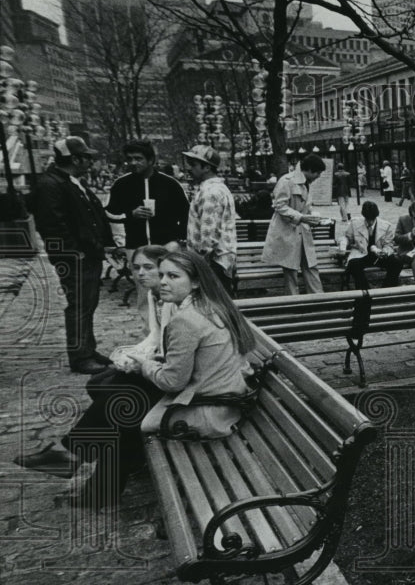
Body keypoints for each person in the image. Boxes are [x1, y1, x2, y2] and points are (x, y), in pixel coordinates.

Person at [17, 249, 255, 509]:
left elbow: (172, 382)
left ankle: (75, 460)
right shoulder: (210, 305)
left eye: (173, 276)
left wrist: (144, 364)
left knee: (121, 405)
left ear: (196, 281)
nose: (163, 281)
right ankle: (78, 463)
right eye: (162, 274)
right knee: (120, 394)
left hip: (205, 409)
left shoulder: (187, 320)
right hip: (216, 396)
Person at [33, 137, 114, 374]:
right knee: (79, 305)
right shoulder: (51, 185)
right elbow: (52, 225)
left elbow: (93, 214)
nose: (90, 162)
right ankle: (81, 357)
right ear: (75, 159)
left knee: (87, 304)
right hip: (75, 258)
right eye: (86, 157)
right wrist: (72, 253)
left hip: (87, 255)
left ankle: (88, 349)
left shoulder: (70, 182)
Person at [262, 154, 327, 296]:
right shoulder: (286, 181)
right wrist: (302, 217)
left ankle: (319, 299)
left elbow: (304, 206)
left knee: (311, 265)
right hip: (287, 231)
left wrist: (313, 218)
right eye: (317, 173)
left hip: (302, 231)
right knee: (290, 269)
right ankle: (293, 302)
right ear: (309, 170)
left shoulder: (306, 183)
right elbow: (279, 206)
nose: (318, 176)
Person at [105, 140, 189, 251]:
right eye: (130, 159)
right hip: (134, 247)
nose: (133, 163)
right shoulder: (121, 184)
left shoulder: (170, 184)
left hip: (166, 247)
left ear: (150, 160)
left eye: (138, 158)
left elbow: (186, 214)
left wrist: (178, 240)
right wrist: (130, 215)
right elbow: (108, 213)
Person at [184, 144, 238, 295]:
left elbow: (209, 234)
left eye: (193, 164)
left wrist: (200, 262)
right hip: (219, 259)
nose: (189, 168)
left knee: (214, 308)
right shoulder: (216, 189)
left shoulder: (210, 192)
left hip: (213, 261)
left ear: (206, 167)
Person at [341, 200, 403, 289]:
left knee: (397, 262)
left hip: (379, 256)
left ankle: (386, 291)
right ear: (364, 216)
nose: (370, 222)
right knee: (353, 265)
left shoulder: (386, 226)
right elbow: (347, 238)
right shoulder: (354, 223)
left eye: (372, 219)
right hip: (361, 255)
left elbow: (389, 245)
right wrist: (343, 243)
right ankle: (365, 295)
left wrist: (384, 252)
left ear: (376, 216)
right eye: (367, 219)